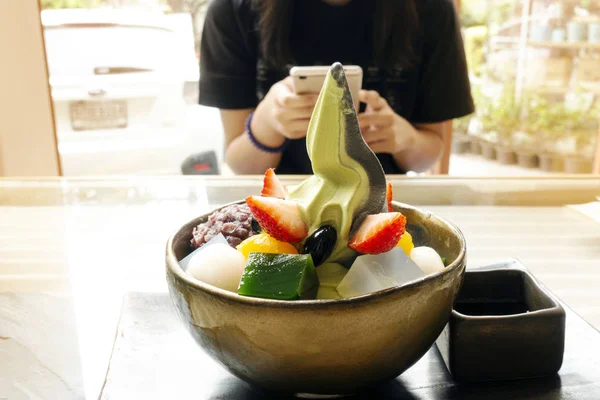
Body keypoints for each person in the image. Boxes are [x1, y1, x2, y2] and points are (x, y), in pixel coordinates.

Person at [199, 0, 474, 174]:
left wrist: (404, 139)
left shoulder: (430, 9)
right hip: (277, 206)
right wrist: (266, 124)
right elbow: (240, 165)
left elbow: (429, 153)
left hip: (382, 205)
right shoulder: (232, 11)